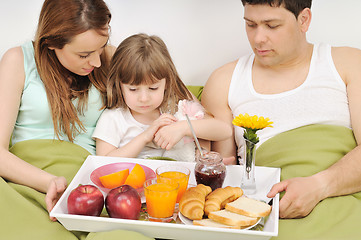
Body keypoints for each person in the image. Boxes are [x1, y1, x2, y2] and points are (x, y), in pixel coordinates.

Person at [202, 0, 361, 239]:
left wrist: (319, 186)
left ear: (304, 19)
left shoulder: (347, 63)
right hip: (271, 213)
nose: (258, 38)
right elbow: (224, 178)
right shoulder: (224, 81)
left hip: (345, 203)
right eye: (251, 25)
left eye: (272, 25)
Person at [0, 1, 152, 239]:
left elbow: (164, 93)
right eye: (84, 54)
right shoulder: (17, 61)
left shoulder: (111, 57)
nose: (98, 62)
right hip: (26, 182)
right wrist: (48, 182)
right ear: (50, 43)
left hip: (91, 185)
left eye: (100, 48)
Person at [93, 33, 232, 161]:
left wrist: (182, 128)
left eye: (153, 88)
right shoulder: (114, 118)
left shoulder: (175, 104)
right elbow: (103, 161)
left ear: (166, 83)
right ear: (119, 85)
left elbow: (224, 130)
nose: (143, 98)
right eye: (133, 89)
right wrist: (145, 137)